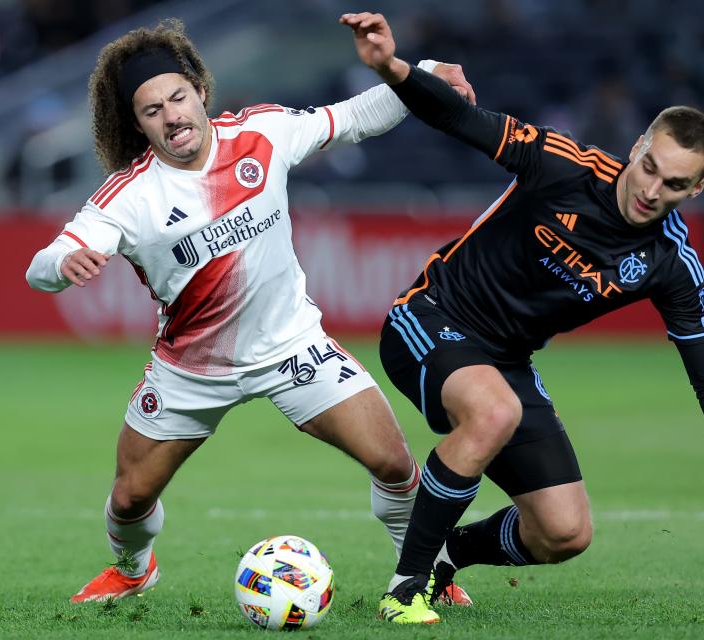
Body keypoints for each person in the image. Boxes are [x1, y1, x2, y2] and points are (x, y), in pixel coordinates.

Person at [339, 12, 704, 625]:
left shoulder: (671, 264)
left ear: (695, 190)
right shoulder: (563, 164)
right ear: (638, 145)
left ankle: (447, 558)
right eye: (649, 166)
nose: (651, 189)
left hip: (506, 361)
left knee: (564, 532)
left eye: (673, 184)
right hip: (430, 317)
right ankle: (403, 590)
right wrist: (390, 67)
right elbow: (462, 118)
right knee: (494, 411)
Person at [26, 18, 475, 604]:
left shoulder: (261, 132)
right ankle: (135, 568)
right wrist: (64, 265)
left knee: (393, 461)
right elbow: (46, 259)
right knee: (130, 499)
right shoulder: (129, 196)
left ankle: (422, 574)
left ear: (201, 91)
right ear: (138, 124)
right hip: (191, 370)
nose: (173, 116)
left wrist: (421, 77)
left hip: (292, 346)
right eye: (152, 109)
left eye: (179, 97)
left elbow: (355, 117)